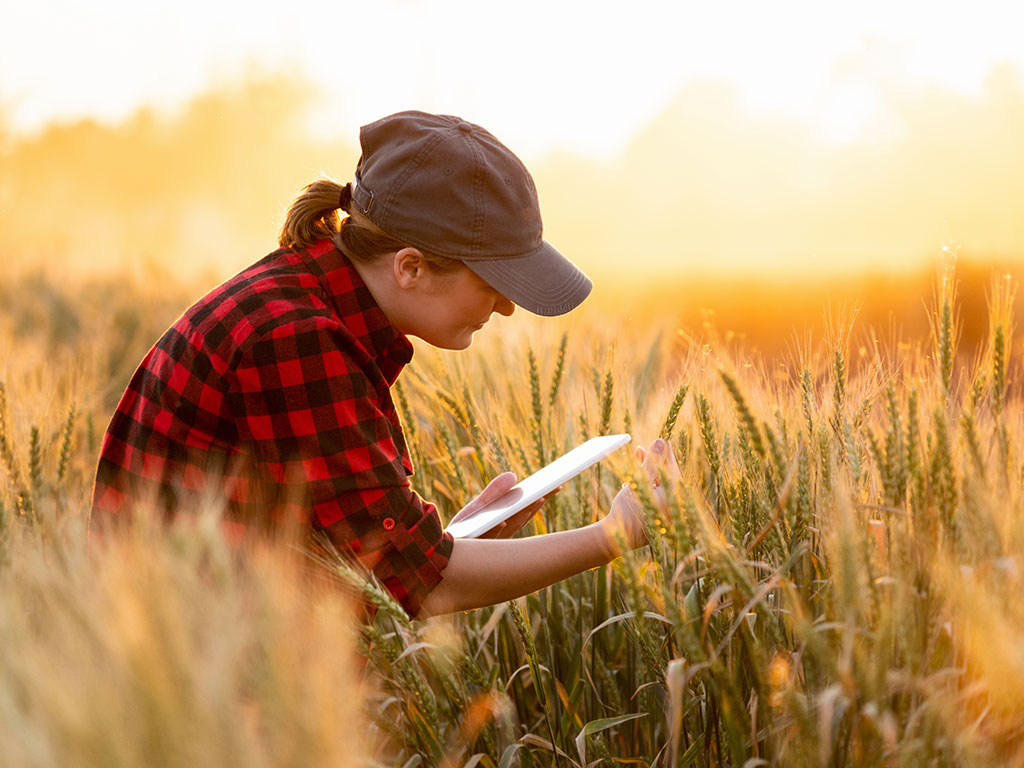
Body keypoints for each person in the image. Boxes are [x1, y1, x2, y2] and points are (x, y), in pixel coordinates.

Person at [90, 110, 675, 618]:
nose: (506, 305)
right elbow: (422, 587)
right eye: (495, 281)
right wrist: (613, 536)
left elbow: (353, 569)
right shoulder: (297, 338)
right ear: (411, 267)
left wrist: (451, 542)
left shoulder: (306, 304)